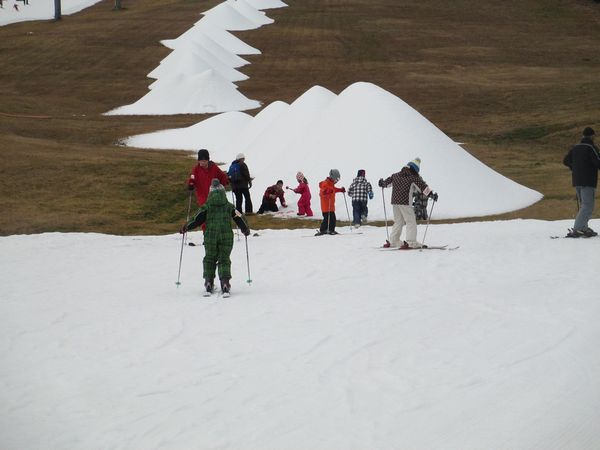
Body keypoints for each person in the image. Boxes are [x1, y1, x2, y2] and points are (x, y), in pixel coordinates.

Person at [180, 179, 250, 295]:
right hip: (226, 235)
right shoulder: (229, 206)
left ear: (210, 193)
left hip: (210, 236)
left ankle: (208, 282)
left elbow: (197, 219)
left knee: (209, 258)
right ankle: (225, 283)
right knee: (224, 258)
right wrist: (245, 228)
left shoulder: (206, 207)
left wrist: (186, 227)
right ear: (223, 192)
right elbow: (239, 217)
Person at [379, 157, 438, 249]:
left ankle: (393, 241)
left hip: (395, 202)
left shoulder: (396, 175)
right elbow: (422, 187)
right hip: (405, 202)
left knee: (398, 221)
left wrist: (382, 183)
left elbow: (386, 183)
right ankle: (411, 242)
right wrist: (431, 194)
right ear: (414, 169)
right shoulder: (412, 177)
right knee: (411, 221)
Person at [563, 127, 600, 237]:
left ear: (583, 136)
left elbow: (565, 161)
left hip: (577, 180)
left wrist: (573, 167)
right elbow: (598, 163)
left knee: (584, 205)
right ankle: (578, 228)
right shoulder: (591, 147)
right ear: (592, 136)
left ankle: (583, 227)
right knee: (588, 205)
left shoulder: (575, 147)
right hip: (588, 180)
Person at [316, 169, 345, 235]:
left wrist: (340, 190)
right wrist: (326, 191)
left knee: (333, 219)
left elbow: (334, 189)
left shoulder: (331, 184)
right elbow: (322, 191)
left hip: (331, 206)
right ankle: (323, 230)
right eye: (336, 179)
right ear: (333, 177)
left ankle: (331, 230)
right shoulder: (325, 183)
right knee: (327, 219)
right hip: (326, 206)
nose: (336, 181)